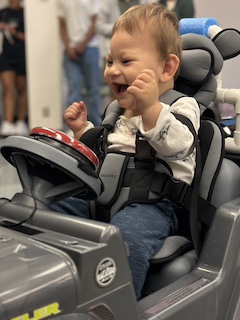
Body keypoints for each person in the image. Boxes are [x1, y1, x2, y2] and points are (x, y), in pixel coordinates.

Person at [51, 3, 200, 300]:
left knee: (124, 241)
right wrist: (83, 130)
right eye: (109, 62)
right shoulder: (117, 112)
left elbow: (180, 146)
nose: (113, 70)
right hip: (101, 197)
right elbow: (104, 150)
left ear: (167, 68)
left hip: (151, 206)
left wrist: (151, 109)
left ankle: (114, 306)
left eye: (126, 60)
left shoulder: (181, 106)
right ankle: (53, 289)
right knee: (52, 211)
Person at [58, 0, 102, 126]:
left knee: (93, 89)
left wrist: (83, 44)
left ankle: (95, 128)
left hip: (91, 47)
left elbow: (95, 24)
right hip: (70, 49)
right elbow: (62, 25)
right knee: (73, 89)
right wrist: (68, 47)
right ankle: (73, 126)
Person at [0, 0, 28, 136]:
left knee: (21, 88)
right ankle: (8, 122)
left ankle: (21, 122)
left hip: (22, 56)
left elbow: (30, 36)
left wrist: (14, 32)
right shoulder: (3, 13)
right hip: (6, 56)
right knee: (8, 87)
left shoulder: (25, 13)